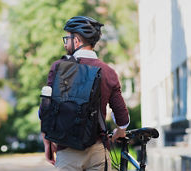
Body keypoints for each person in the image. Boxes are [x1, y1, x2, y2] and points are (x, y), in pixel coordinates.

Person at [41, 16, 130, 171]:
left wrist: (48, 143)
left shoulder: (59, 68)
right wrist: (120, 131)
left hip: (67, 151)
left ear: (76, 41)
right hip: (97, 151)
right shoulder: (108, 72)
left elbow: (45, 110)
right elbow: (122, 118)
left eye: (67, 38)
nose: (65, 43)